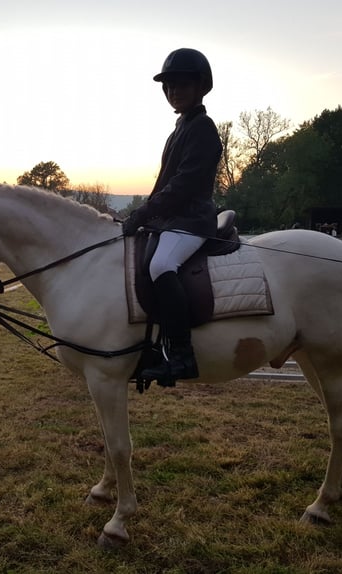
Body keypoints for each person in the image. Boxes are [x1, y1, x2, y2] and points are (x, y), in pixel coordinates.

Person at [122, 48, 222, 384]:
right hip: (173, 220)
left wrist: (144, 212)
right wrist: (144, 215)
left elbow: (183, 185)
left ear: (200, 87)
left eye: (181, 84)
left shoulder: (204, 128)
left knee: (161, 265)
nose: (173, 91)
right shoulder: (179, 128)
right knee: (144, 259)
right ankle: (154, 348)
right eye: (169, 86)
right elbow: (163, 183)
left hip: (192, 219)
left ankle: (182, 356)